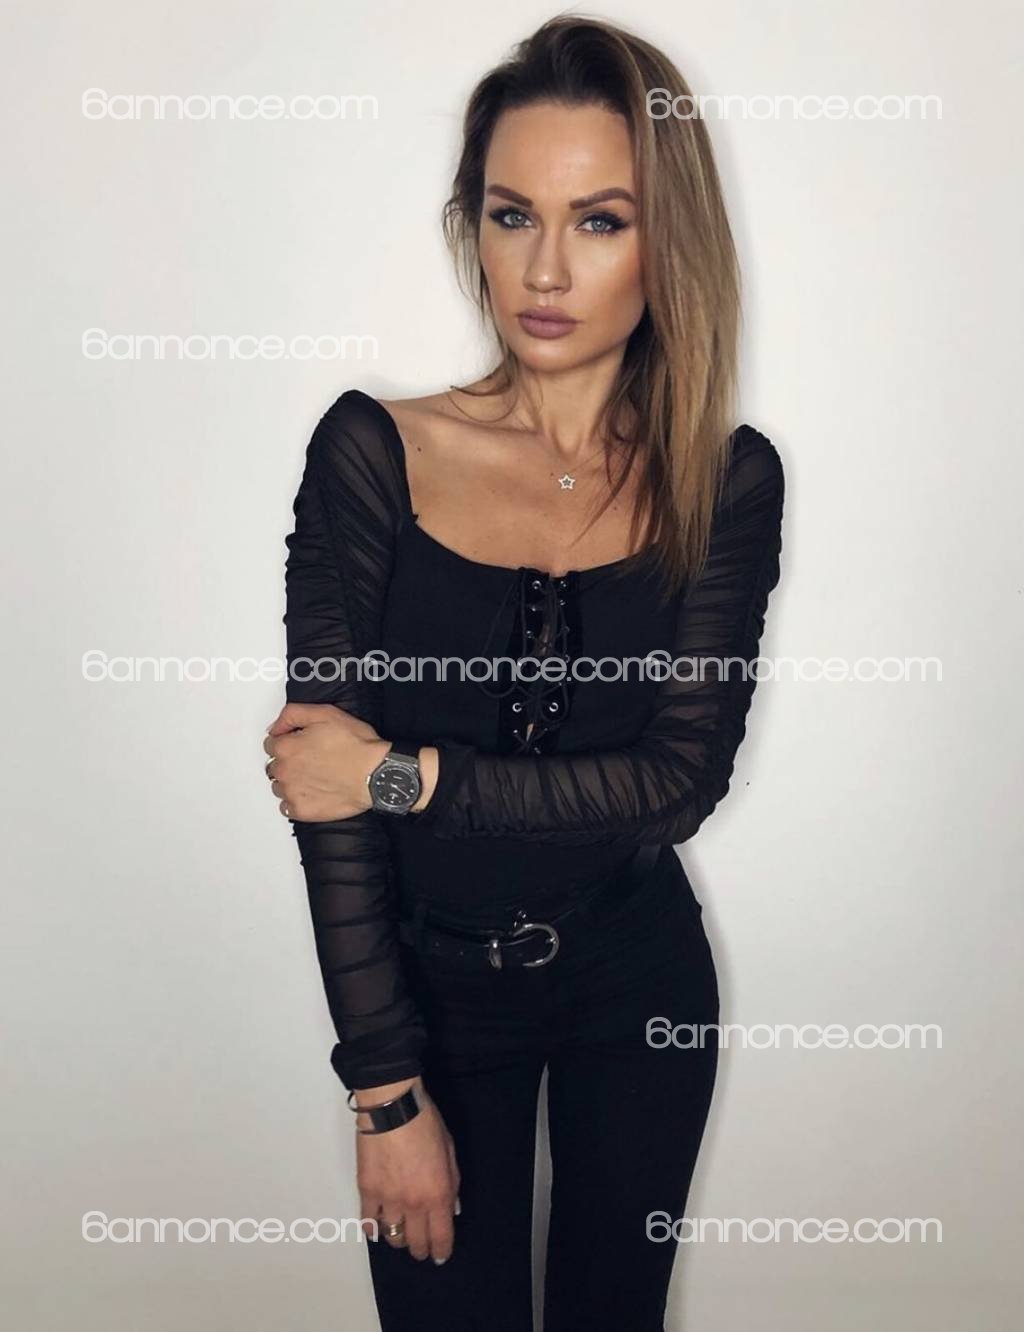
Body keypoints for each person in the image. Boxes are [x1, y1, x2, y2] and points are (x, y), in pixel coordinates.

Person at [263, 15, 785, 1331]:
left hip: (639, 985)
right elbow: (325, 811)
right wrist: (385, 1091)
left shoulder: (725, 480)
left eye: (600, 221)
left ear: (668, 244)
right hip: (428, 1003)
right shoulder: (372, 453)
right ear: (474, 227)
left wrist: (401, 774)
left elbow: (675, 786)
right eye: (513, 216)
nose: (545, 269)